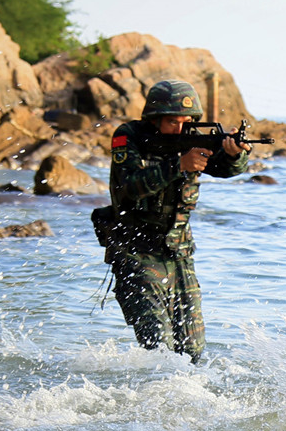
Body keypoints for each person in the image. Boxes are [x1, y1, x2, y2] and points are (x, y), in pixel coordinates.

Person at [103, 80, 251, 363]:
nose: (181, 128)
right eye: (172, 121)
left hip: (179, 254)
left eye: (186, 121)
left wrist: (234, 155)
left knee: (193, 352)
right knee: (158, 348)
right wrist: (179, 165)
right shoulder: (128, 136)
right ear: (154, 117)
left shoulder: (193, 139)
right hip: (135, 253)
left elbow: (225, 168)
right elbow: (129, 187)